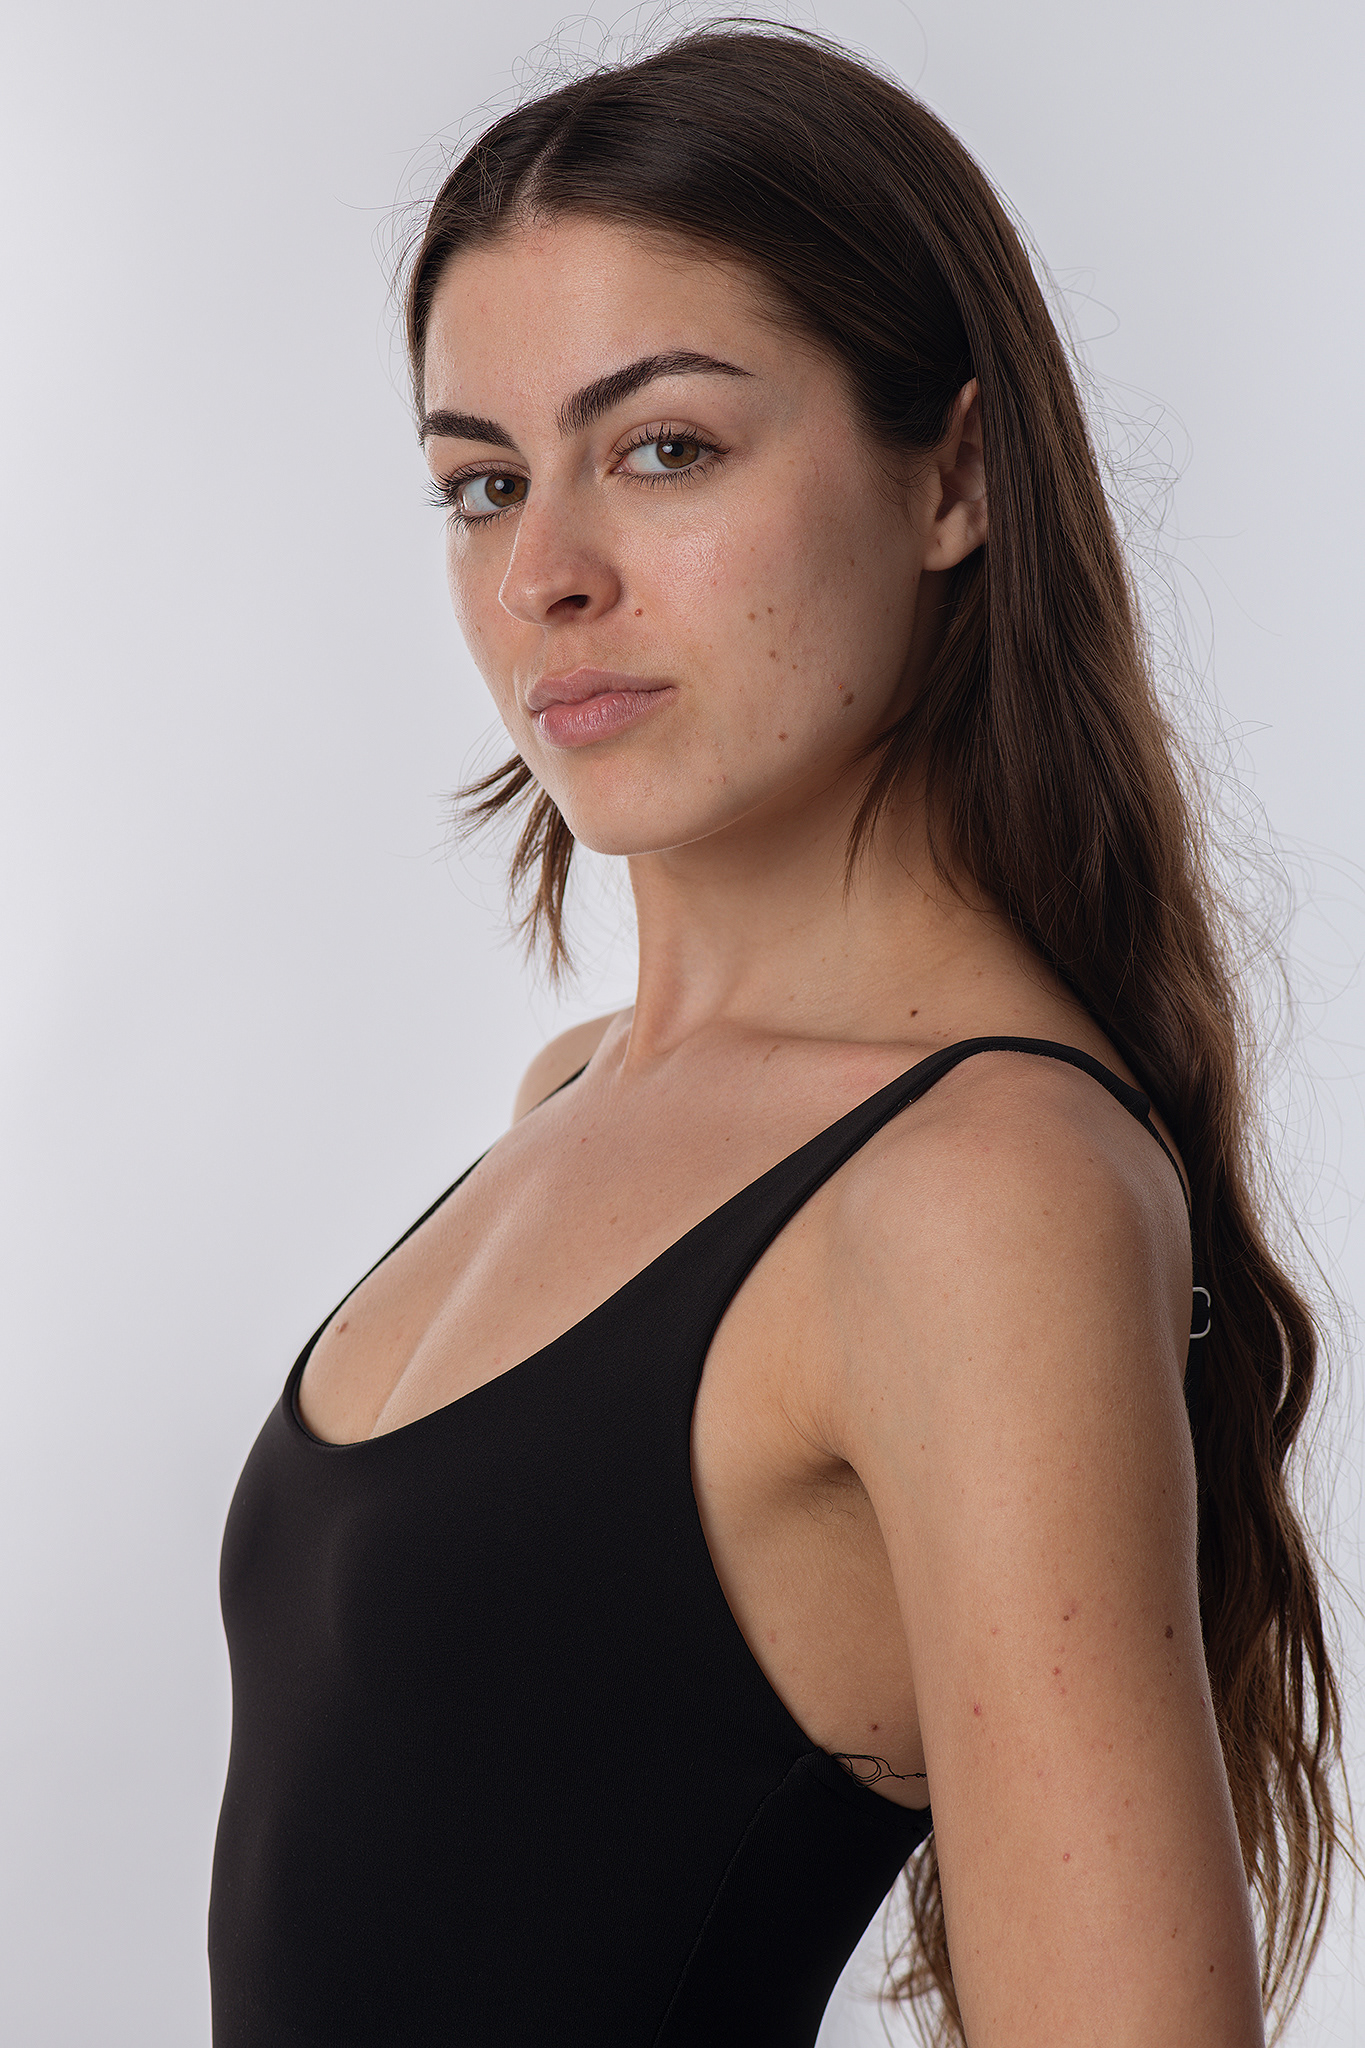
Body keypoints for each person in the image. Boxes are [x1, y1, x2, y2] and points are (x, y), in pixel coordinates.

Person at [208, 25, 1345, 2046]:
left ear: (953, 477)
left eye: (664, 450)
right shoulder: (576, 1092)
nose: (543, 575)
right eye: (482, 483)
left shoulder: (975, 1191)